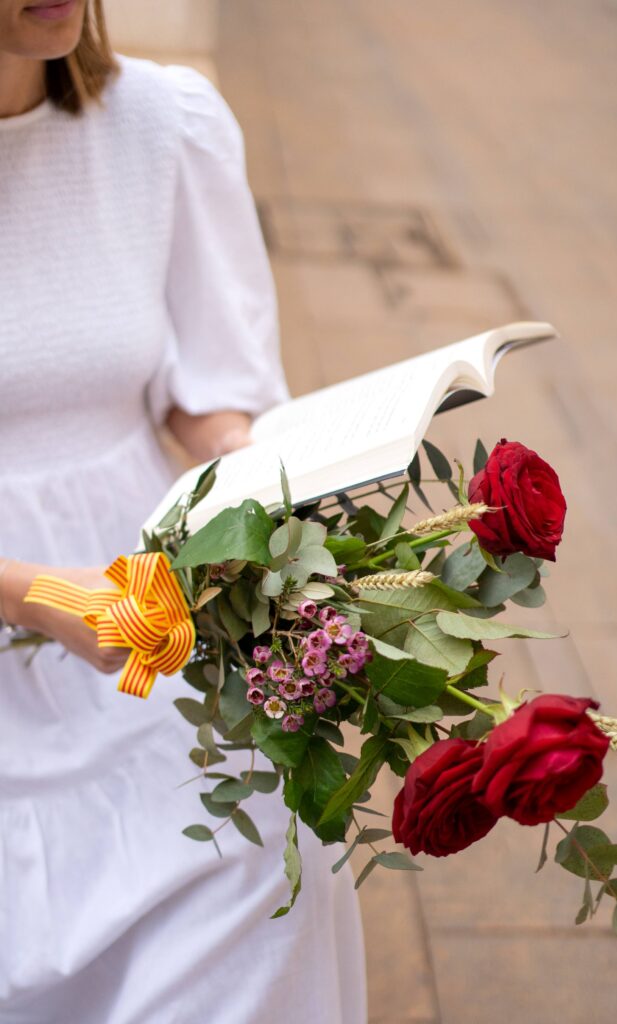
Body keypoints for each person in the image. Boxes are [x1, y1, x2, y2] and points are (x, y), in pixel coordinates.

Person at [0, 1, 367, 1021]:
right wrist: (29, 595)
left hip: (147, 602)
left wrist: (258, 478)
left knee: (260, 845)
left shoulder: (160, 124)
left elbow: (205, 390)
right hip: (43, 608)